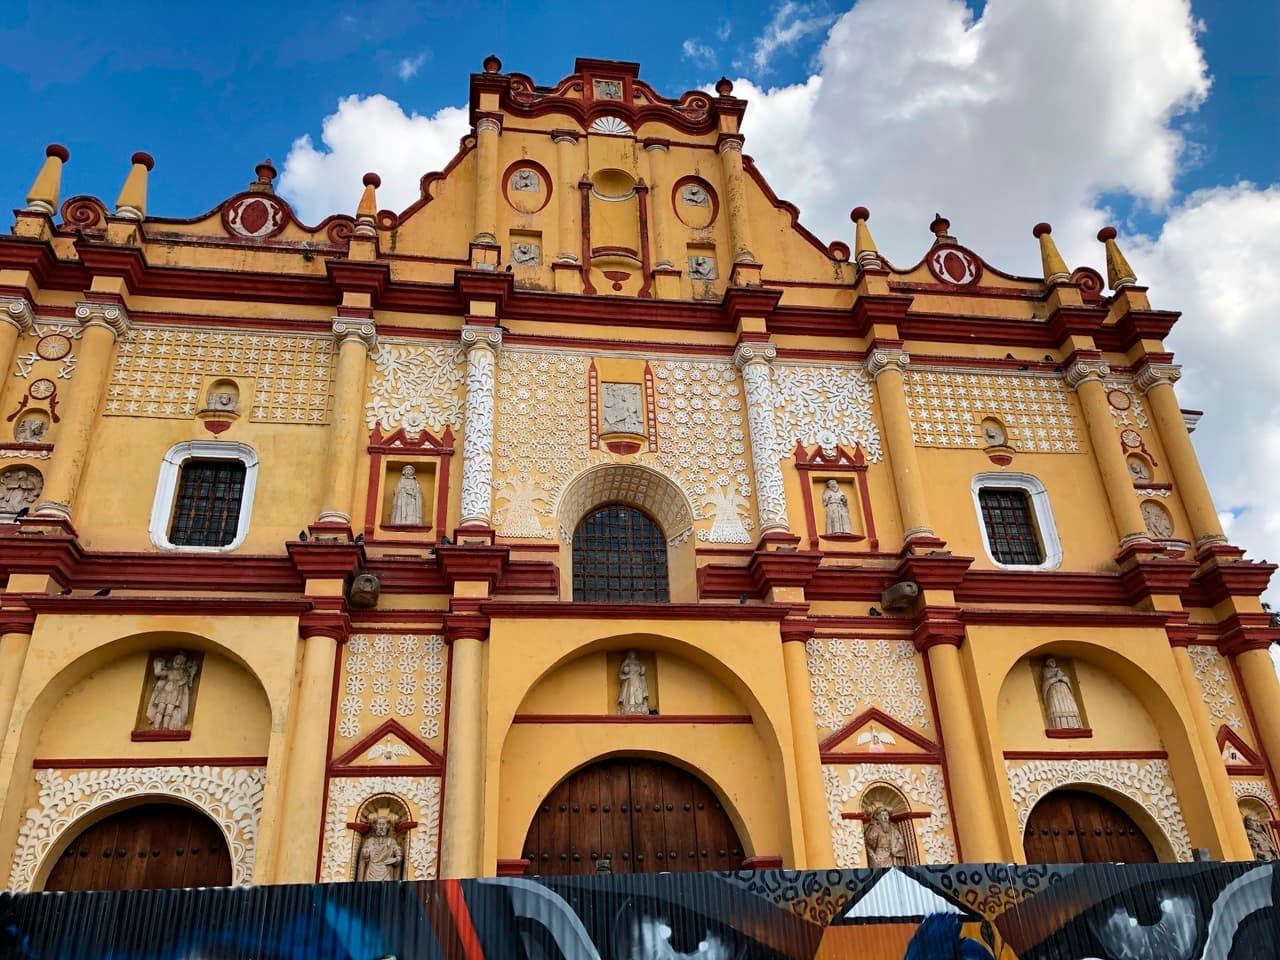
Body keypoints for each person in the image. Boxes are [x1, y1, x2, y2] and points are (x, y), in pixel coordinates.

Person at [146, 652, 198, 730]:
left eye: (181, 661)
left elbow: (185, 680)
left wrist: (178, 682)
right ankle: (156, 726)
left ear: (183, 663)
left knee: (169, 710)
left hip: (175, 693)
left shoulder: (184, 673)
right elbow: (158, 673)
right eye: (177, 660)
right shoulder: (169, 671)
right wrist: (159, 664)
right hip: (165, 692)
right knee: (161, 708)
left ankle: (165, 726)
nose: (178, 662)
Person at [357, 816, 403, 881]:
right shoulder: (369, 841)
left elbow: (399, 856)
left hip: (386, 872)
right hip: (371, 872)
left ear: (387, 827)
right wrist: (365, 856)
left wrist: (395, 860)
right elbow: (363, 861)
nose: (381, 827)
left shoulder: (392, 841)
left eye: (383, 824)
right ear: (375, 827)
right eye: (379, 824)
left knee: (386, 890)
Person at [1042, 657, 1083, 729]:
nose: (1053, 663)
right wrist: (1056, 678)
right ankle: (1058, 726)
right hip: (1054, 692)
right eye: (1050, 661)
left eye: (1053, 661)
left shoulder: (1060, 671)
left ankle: (1074, 725)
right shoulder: (1046, 672)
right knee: (1056, 707)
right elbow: (1046, 683)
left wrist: (1062, 678)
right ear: (1047, 664)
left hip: (1064, 691)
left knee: (1069, 707)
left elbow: (1067, 680)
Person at [617, 651, 649, 715]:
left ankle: (639, 705)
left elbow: (642, 673)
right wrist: (627, 676)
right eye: (631, 654)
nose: (633, 655)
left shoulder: (639, 663)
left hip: (638, 680)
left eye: (634, 654)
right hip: (629, 681)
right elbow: (620, 675)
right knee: (630, 692)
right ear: (628, 655)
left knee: (639, 691)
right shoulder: (626, 663)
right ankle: (629, 705)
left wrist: (642, 669)